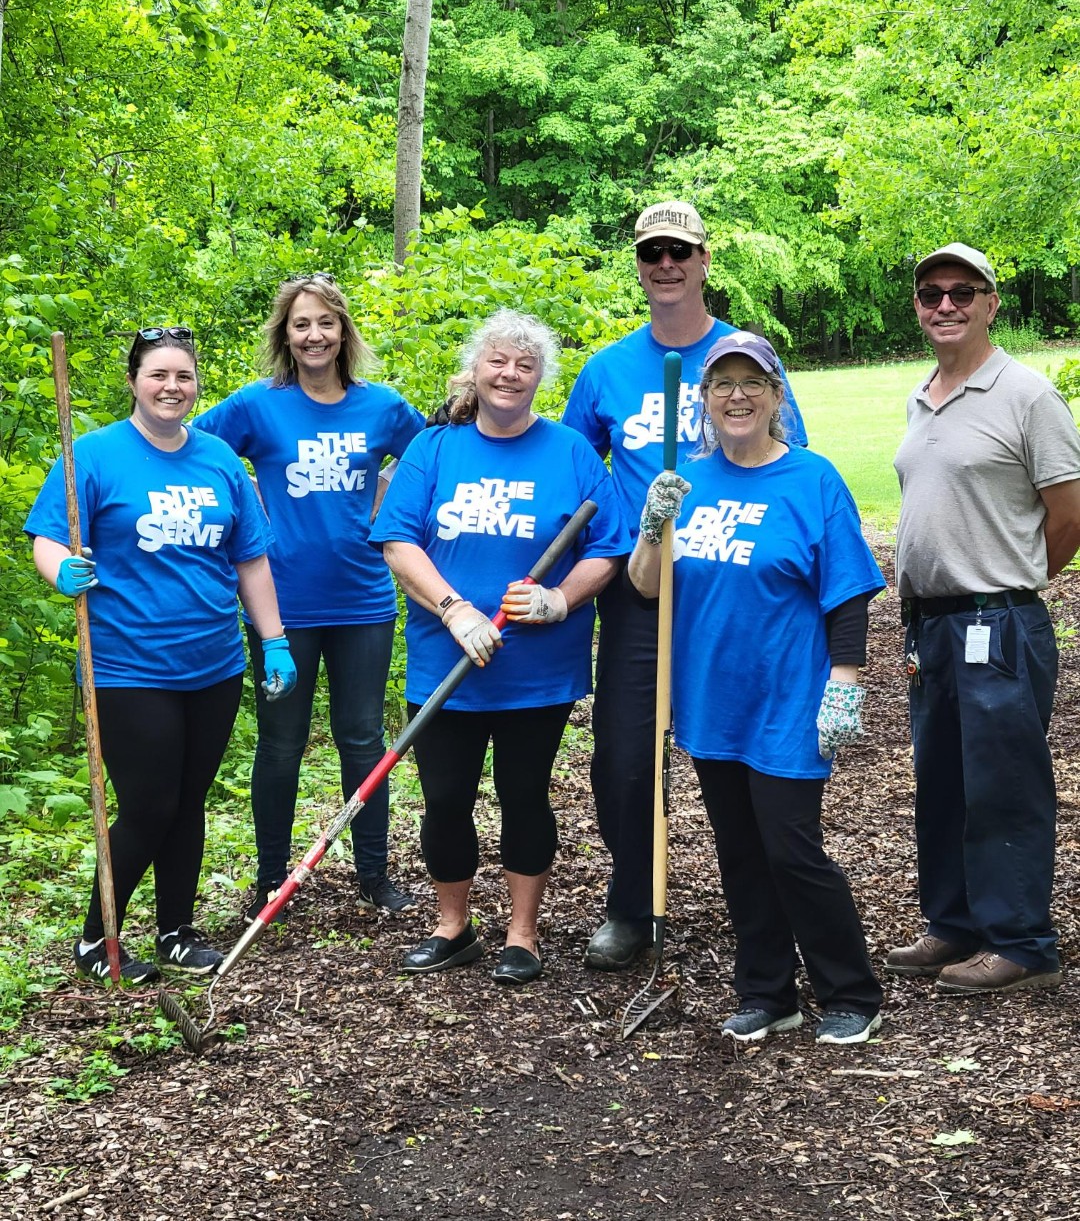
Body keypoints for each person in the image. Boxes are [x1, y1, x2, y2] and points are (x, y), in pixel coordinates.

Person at [563, 200, 810, 970]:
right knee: (626, 759)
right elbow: (569, 465)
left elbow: (789, 455)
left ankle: (768, 914)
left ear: (705, 260)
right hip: (642, 591)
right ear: (638, 265)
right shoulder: (607, 369)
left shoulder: (743, 357)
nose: (665, 264)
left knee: (746, 756)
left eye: (680, 251)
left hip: (730, 591)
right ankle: (633, 905)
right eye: (652, 252)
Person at [628, 331, 885, 1044]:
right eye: (721, 385)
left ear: (777, 396)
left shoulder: (811, 480)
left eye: (752, 383)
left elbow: (848, 594)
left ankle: (851, 991)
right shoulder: (688, 482)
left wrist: (845, 685)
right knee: (739, 852)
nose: (736, 396)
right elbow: (647, 588)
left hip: (788, 701)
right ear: (703, 402)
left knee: (792, 849)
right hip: (712, 703)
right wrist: (654, 526)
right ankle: (767, 992)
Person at [25, 326, 297, 984]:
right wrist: (63, 570)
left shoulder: (220, 461)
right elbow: (48, 538)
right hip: (127, 665)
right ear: (134, 381)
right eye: (158, 375)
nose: (172, 387)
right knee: (149, 803)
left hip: (214, 664)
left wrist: (275, 640)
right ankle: (98, 940)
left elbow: (249, 560)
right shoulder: (91, 456)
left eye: (183, 376)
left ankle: (176, 931)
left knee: (191, 799)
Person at [370, 311, 629, 985]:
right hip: (444, 663)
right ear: (475, 370)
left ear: (540, 378)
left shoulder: (571, 451)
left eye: (526, 365)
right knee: (446, 798)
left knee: (524, 795)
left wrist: (560, 600)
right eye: (499, 362)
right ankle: (452, 927)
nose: (510, 375)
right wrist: (454, 611)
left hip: (536, 670)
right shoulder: (434, 448)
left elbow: (608, 549)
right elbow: (398, 541)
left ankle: (523, 934)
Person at [193, 275, 425, 920]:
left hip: (363, 603)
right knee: (281, 743)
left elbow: (432, 455)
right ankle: (272, 879)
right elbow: (193, 451)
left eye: (325, 323)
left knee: (361, 739)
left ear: (344, 331)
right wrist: (241, 513)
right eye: (301, 324)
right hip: (280, 608)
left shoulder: (380, 407)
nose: (314, 335)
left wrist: (387, 500)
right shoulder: (257, 406)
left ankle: (373, 875)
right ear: (285, 336)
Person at [886, 243, 1080, 995]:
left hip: (996, 625)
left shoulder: (1026, 395)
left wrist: (1009, 585)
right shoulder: (922, 394)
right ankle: (955, 926)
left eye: (963, 292)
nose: (945, 305)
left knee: (1004, 785)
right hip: (930, 626)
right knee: (941, 781)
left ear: (992, 303)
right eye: (931, 292)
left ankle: (1021, 941)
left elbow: (1066, 517)